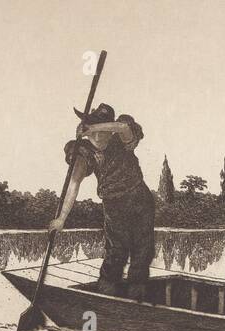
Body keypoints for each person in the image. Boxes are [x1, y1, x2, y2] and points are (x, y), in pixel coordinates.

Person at [47, 103, 155, 298]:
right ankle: (106, 294)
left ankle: (137, 297)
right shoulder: (84, 152)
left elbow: (123, 127)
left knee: (143, 249)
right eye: (93, 131)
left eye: (104, 130)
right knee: (116, 251)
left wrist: (95, 127)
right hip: (113, 204)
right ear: (86, 133)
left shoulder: (121, 139)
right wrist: (61, 219)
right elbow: (74, 184)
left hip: (139, 199)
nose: (99, 137)